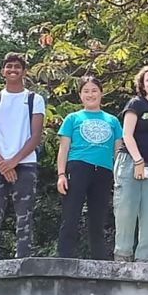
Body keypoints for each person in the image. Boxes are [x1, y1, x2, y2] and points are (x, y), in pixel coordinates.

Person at [0, 52, 46, 260]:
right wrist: (2, 163)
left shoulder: (35, 99)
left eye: (17, 67)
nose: (13, 70)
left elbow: (36, 136)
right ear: (3, 72)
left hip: (25, 163)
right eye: (9, 67)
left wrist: (13, 163)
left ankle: (24, 258)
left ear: (24, 72)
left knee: (24, 214)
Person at [56, 75, 123, 260]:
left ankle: (99, 260)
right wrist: (61, 174)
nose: (90, 94)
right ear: (80, 95)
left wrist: (119, 175)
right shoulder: (72, 118)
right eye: (86, 91)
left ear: (101, 93)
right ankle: (64, 257)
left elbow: (118, 151)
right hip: (77, 167)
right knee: (71, 214)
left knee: (98, 218)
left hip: (104, 170)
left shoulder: (113, 121)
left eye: (94, 90)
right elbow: (63, 148)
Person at [113, 63, 148, 262]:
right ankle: (122, 255)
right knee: (126, 210)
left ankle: (145, 259)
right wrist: (138, 161)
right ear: (142, 84)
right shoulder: (135, 103)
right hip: (130, 161)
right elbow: (126, 135)